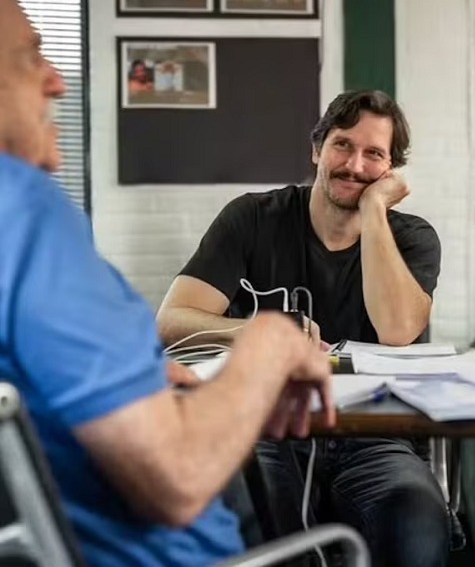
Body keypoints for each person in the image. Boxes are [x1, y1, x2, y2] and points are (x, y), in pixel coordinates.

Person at [0, 0, 335, 567]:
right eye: (31, 57)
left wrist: (138, 376)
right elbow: (177, 476)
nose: (56, 81)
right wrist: (272, 340)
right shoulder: (23, 212)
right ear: (316, 152)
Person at [156, 90, 449, 567]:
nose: (354, 165)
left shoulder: (412, 237)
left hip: (373, 435)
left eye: (373, 154)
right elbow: (171, 322)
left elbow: (397, 330)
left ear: (391, 171)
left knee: (418, 521)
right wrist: (262, 333)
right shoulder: (251, 218)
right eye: (342, 145)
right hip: (265, 424)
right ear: (317, 149)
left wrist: (374, 212)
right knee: (268, 521)